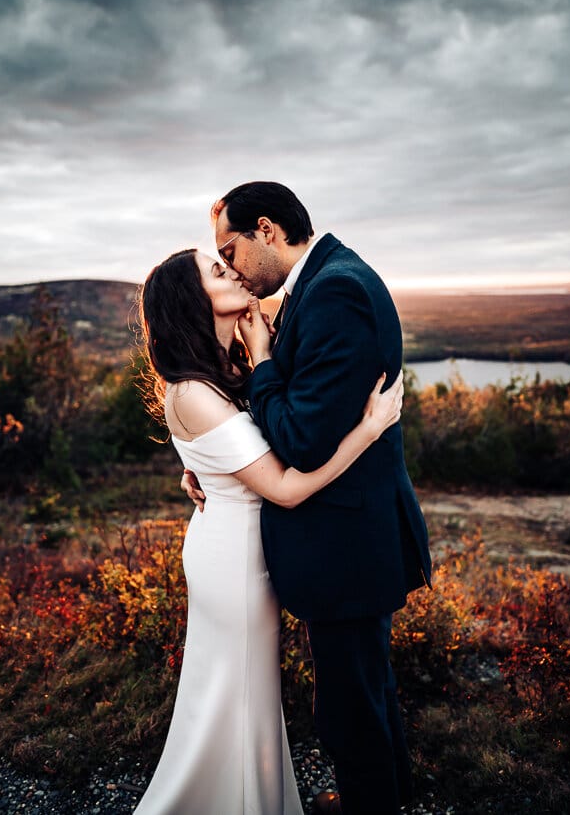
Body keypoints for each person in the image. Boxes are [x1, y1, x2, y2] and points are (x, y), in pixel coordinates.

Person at [184, 182, 432, 815]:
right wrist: (215, 468)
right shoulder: (323, 282)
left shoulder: (335, 292)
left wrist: (264, 359)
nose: (231, 268)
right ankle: (386, 799)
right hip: (355, 536)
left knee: (347, 705)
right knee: (365, 688)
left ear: (266, 230)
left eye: (229, 250)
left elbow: (299, 439)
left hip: (347, 542)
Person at [133, 247, 405, 815]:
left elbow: (253, 436)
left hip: (248, 551)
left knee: (249, 693)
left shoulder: (224, 368)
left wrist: (258, 357)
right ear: (192, 300)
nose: (231, 270)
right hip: (232, 563)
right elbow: (283, 486)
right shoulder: (193, 391)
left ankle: (252, 797)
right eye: (216, 269)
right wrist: (369, 430)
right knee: (235, 691)